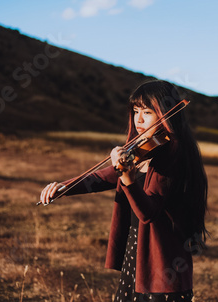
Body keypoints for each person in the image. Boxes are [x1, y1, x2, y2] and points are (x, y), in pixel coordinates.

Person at [39, 80, 208, 301]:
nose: (138, 119)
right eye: (136, 111)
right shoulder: (144, 149)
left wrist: (128, 177)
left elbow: (148, 212)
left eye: (147, 112)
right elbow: (103, 176)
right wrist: (65, 187)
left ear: (166, 113)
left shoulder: (174, 156)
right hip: (136, 251)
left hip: (162, 261)